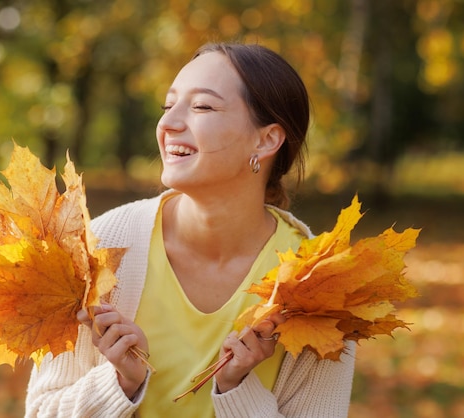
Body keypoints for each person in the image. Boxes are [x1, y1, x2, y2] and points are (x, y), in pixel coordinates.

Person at [24, 42, 355, 417]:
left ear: (266, 140)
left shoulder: (318, 288)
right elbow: (41, 411)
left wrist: (238, 390)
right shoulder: (99, 247)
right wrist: (118, 383)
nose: (168, 124)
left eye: (202, 107)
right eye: (168, 106)